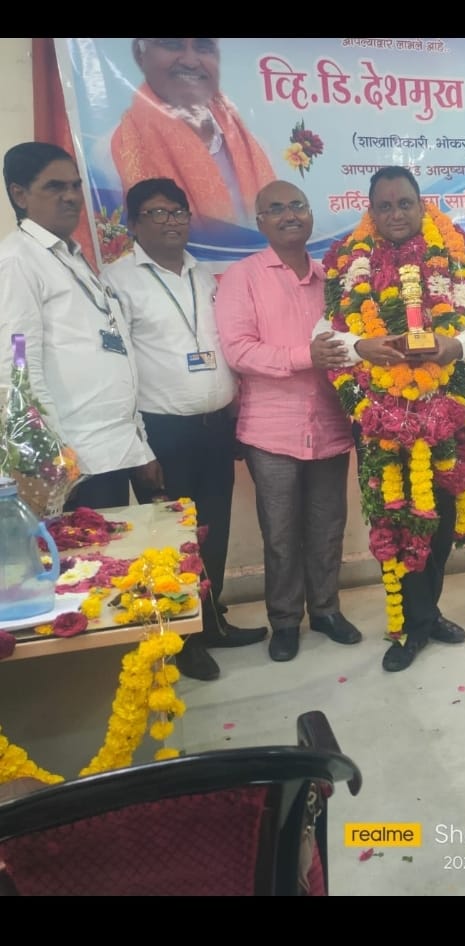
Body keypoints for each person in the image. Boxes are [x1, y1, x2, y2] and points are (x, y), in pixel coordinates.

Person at [315, 165, 465, 672]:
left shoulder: (456, 257)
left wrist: (456, 345)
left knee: (440, 520)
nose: (396, 214)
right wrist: (362, 345)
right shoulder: (351, 264)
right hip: (380, 419)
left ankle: (427, 613)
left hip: (445, 414)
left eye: (404, 204)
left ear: (422, 205)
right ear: (371, 212)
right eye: (385, 206)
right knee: (396, 520)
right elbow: (323, 334)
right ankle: (412, 628)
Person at [101, 177, 268, 681]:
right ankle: (182, 641)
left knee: (213, 529)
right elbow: (119, 369)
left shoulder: (204, 274)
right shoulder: (117, 281)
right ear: (133, 223)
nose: (171, 221)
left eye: (178, 211)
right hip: (162, 434)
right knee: (173, 540)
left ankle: (211, 621)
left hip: (214, 427)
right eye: (157, 213)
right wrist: (139, 444)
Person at [215, 179, 362, 663]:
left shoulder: (332, 280)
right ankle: (283, 621)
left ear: (311, 214)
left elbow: (350, 343)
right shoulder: (242, 277)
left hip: (329, 425)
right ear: (261, 222)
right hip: (271, 431)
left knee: (328, 527)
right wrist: (305, 355)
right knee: (279, 534)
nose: (289, 215)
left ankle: (326, 611)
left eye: (297, 205)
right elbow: (238, 351)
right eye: (275, 209)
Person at [0, 141, 163, 509]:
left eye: (75, 186)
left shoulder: (72, 256)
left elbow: (112, 353)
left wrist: (139, 445)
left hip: (110, 453)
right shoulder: (17, 261)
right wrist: (53, 461)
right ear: (20, 195)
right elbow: (18, 367)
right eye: (55, 187)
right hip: (72, 463)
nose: (71, 196)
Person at [111, 39, 275, 228]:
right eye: (172, 45)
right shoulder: (116, 153)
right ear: (140, 54)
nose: (190, 62)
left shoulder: (255, 149)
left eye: (203, 47)